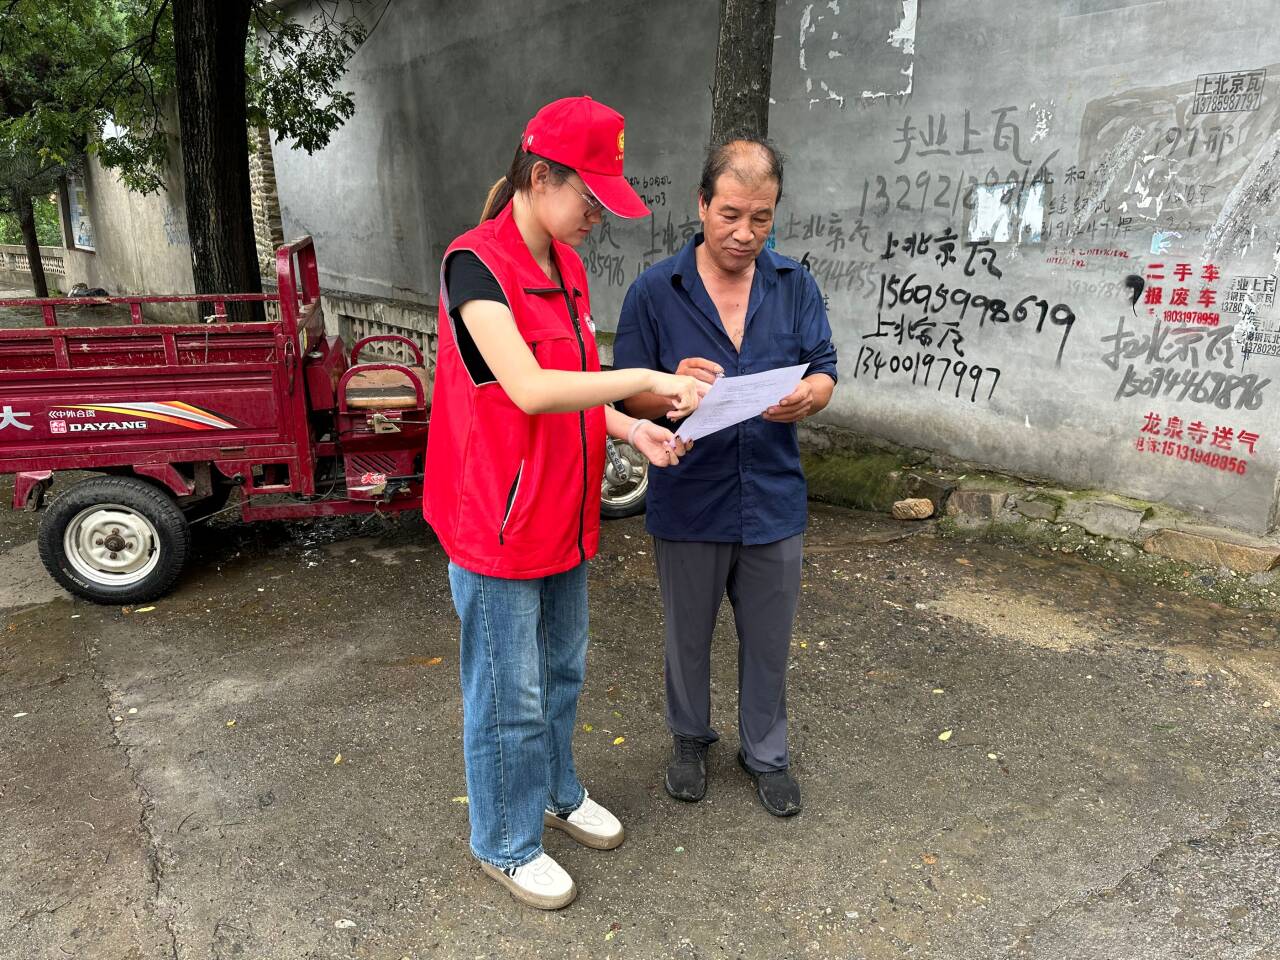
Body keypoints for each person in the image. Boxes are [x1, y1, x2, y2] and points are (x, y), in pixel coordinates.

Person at [423, 96, 702, 910]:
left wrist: (631, 428)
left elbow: (575, 387)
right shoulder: (474, 266)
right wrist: (645, 381)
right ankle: (504, 842)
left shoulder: (568, 267)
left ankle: (554, 790)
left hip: (563, 512)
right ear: (541, 176)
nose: (597, 217)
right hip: (499, 519)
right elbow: (531, 387)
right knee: (505, 695)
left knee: (562, 673)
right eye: (590, 197)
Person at [612, 135, 838, 818]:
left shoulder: (794, 285)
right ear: (702, 204)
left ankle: (765, 752)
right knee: (687, 634)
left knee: (769, 638)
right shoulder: (656, 291)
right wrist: (667, 387)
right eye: (731, 214)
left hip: (772, 493)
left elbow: (824, 369)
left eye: (761, 218)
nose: (745, 233)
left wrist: (809, 397)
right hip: (690, 494)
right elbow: (626, 398)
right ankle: (689, 739)